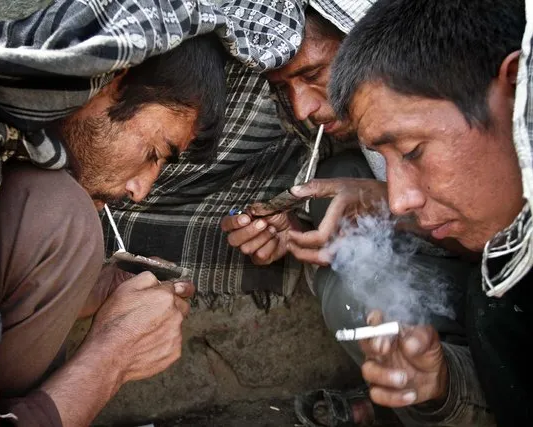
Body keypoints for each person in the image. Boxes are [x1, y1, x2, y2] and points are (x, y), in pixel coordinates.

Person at [0, 1, 231, 424]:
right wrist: (111, 358)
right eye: (153, 153)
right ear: (111, 80)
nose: (141, 190)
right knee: (64, 214)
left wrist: (88, 283)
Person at [221, 2, 495, 426]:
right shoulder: (360, 129)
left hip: (493, 297)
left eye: (313, 75)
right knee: (335, 193)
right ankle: (420, 393)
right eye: (284, 89)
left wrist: (381, 202)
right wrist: (294, 230)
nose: (301, 110)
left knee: (355, 294)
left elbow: (492, 233)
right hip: (474, 282)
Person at [295, 0, 531, 425]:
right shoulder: (502, 302)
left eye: (412, 151)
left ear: (516, 89)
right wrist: (442, 386)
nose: (400, 200)